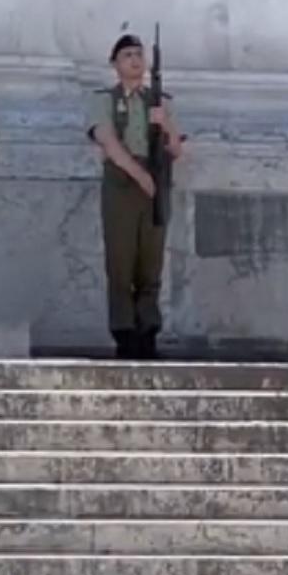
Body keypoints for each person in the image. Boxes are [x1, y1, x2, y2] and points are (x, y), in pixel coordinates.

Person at [87, 32, 184, 359]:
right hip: (122, 182)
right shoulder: (104, 99)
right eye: (128, 54)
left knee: (150, 262)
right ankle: (124, 332)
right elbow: (109, 142)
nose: (135, 60)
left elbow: (176, 149)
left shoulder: (160, 101)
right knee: (120, 261)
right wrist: (140, 175)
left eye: (139, 54)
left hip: (155, 181)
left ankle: (148, 330)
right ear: (115, 63)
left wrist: (166, 124)